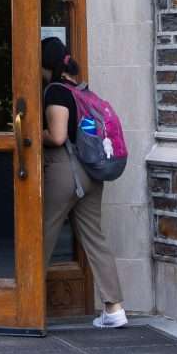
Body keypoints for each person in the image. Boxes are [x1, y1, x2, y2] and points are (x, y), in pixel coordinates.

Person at [40, 37, 128, 328]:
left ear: (45, 64)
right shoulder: (81, 91)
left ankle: (24, 304)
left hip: (65, 171)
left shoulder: (55, 92)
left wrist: (29, 134)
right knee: (95, 238)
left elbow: (57, 136)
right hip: (92, 173)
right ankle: (114, 309)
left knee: (41, 234)